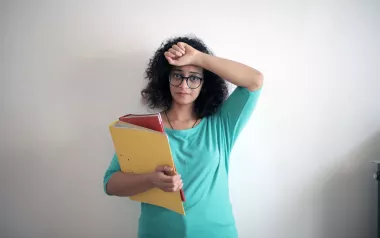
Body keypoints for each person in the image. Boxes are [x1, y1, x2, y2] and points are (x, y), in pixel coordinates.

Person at [103, 35, 263, 238]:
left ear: (205, 83)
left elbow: (254, 81)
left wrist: (197, 58)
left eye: (194, 77)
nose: (184, 85)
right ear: (165, 78)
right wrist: (150, 180)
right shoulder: (143, 128)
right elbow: (110, 183)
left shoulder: (222, 124)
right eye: (177, 75)